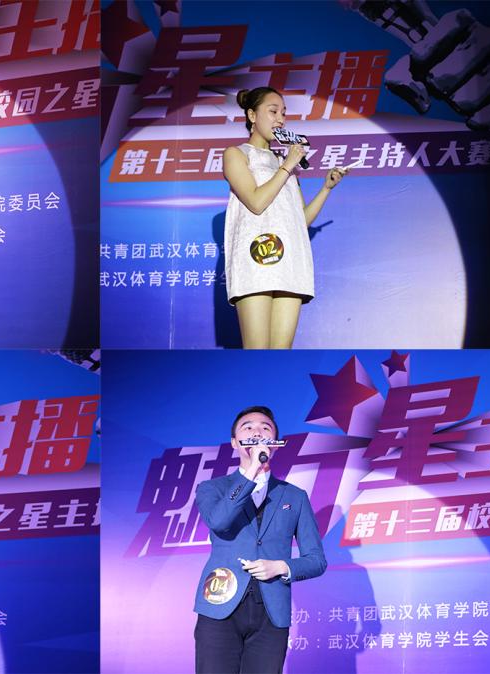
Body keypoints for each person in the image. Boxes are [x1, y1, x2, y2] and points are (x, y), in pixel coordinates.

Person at [193, 406, 326, 674]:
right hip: (220, 602)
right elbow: (219, 522)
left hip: (271, 611)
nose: (257, 432)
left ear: (275, 442)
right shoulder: (212, 488)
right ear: (235, 442)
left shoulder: (295, 496)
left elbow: (317, 560)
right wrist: (252, 470)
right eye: (248, 427)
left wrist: (281, 567)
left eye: (265, 428)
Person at [222, 87, 349, 349]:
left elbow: (301, 221)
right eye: (273, 111)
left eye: (283, 113)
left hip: (290, 262)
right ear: (252, 115)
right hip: (257, 258)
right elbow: (256, 202)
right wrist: (287, 165)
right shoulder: (237, 154)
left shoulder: (285, 162)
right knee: (257, 351)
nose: (280, 119)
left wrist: (326, 188)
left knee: (282, 354)